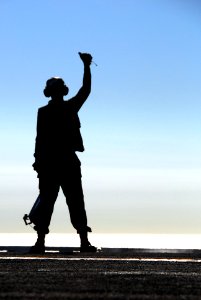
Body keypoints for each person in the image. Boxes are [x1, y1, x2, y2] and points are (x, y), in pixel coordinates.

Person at [28, 52, 96, 254]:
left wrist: (38, 161)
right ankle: (82, 241)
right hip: (62, 162)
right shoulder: (67, 108)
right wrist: (86, 66)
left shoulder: (49, 111)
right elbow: (86, 90)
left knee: (54, 201)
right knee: (70, 201)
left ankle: (43, 242)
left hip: (54, 163)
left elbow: (39, 140)